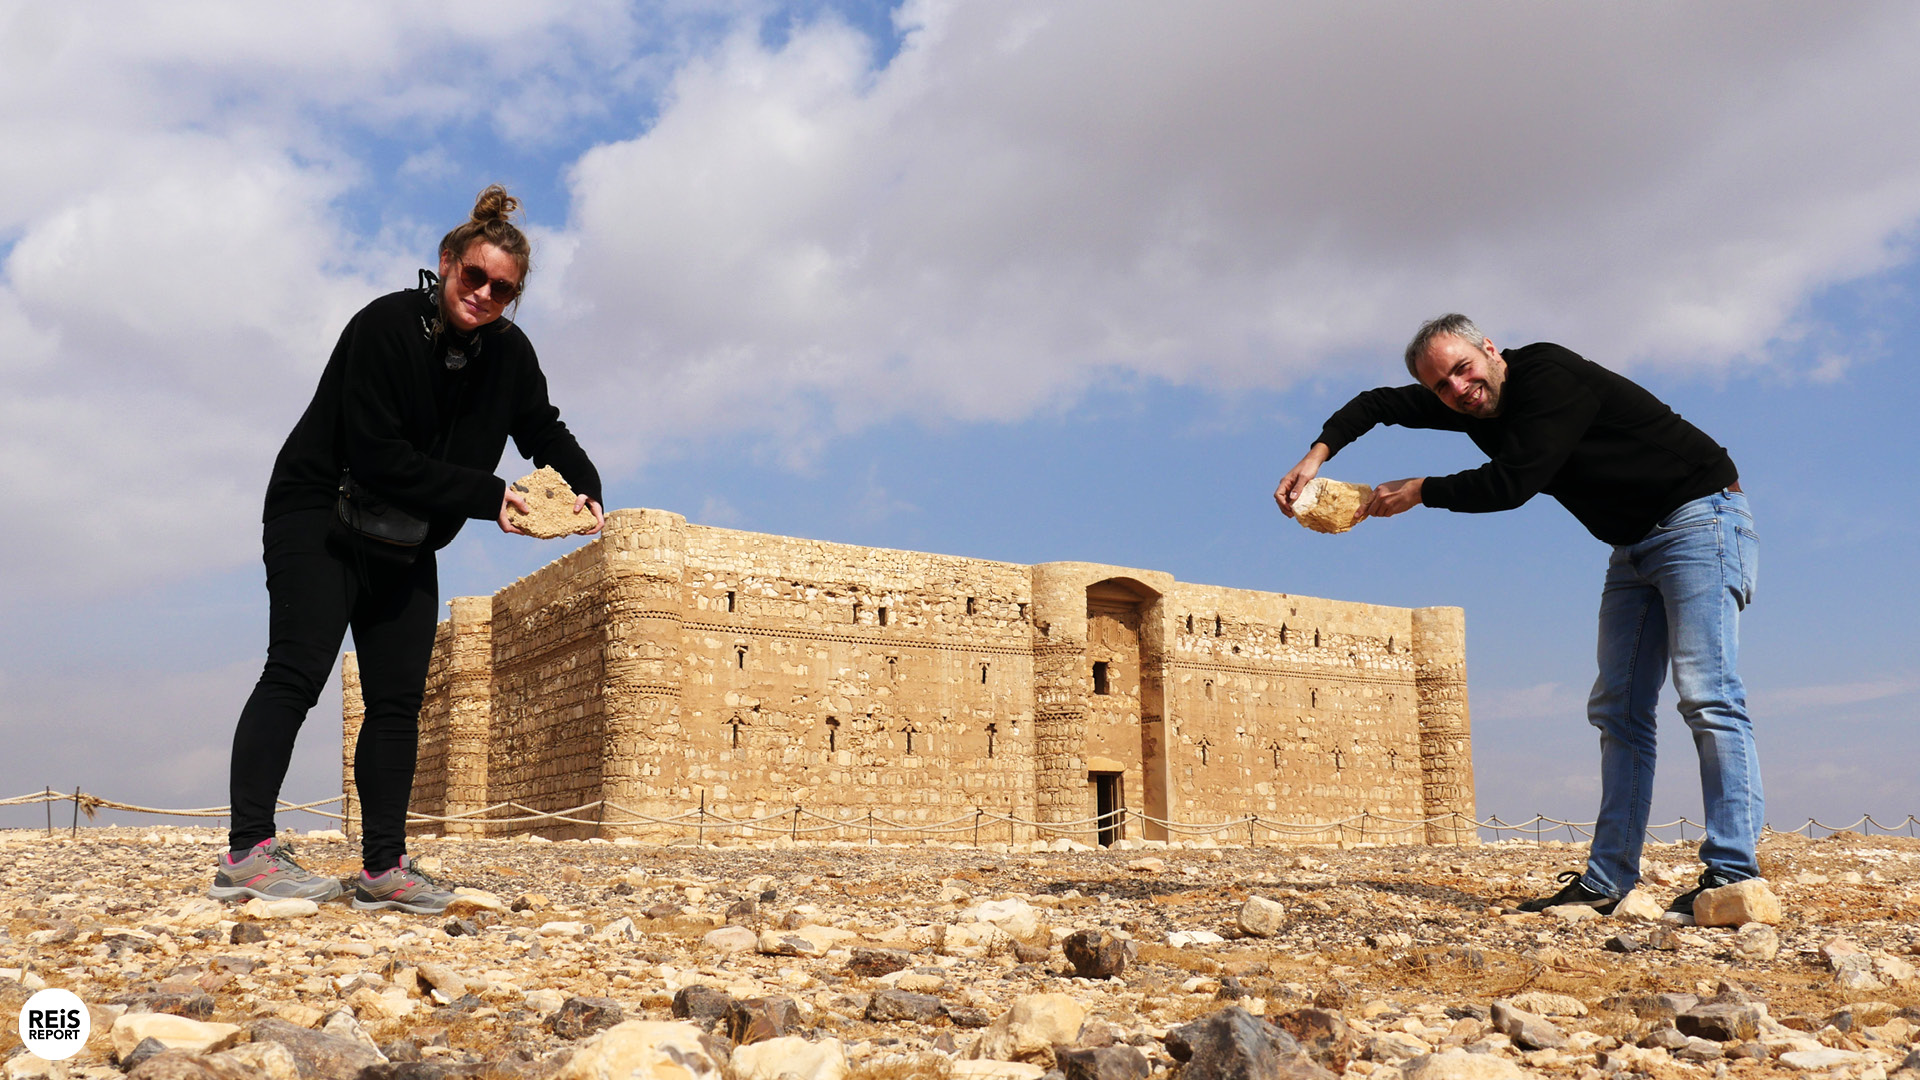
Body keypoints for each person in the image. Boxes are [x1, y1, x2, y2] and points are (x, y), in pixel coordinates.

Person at [1274, 314, 1763, 924]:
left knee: (1707, 695)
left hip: (1701, 520)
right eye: (1441, 387)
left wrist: (1422, 490)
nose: (1457, 388)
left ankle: (1734, 872)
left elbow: (1514, 482)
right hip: (1631, 547)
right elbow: (1375, 404)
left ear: (1489, 349)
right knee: (1618, 708)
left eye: (1462, 368)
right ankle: (1608, 880)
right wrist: (1315, 456)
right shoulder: (1461, 401)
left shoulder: (1548, 377)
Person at [212, 186, 604, 915]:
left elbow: (542, 428)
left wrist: (586, 489)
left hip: (406, 534)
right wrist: (491, 499)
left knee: (398, 702)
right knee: (296, 673)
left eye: (502, 289)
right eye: (474, 277)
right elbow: (378, 454)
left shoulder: (509, 356)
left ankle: (384, 870)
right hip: (319, 514)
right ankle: (248, 855)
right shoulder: (384, 327)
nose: (484, 294)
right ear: (447, 264)